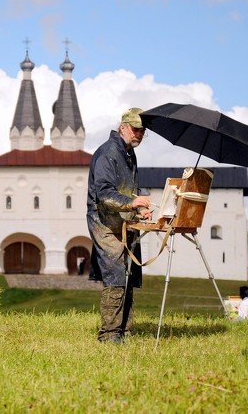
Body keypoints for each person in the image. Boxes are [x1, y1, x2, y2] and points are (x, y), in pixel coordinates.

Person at [87, 107, 152, 343]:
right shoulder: (107, 153)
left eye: (143, 131)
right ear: (123, 127)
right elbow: (104, 193)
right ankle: (109, 334)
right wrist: (133, 202)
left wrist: (140, 207)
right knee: (115, 273)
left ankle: (125, 330)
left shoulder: (128, 153)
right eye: (136, 129)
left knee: (130, 274)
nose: (140, 134)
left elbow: (130, 189)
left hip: (125, 220)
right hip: (103, 221)